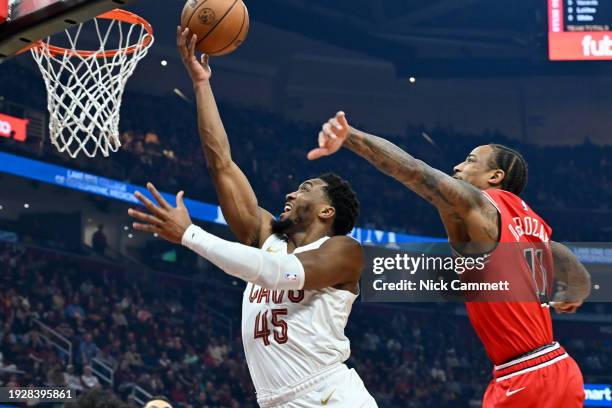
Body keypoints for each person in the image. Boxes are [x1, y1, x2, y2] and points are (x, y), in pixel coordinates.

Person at [126, 27, 377, 408]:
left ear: (328, 211)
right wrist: (200, 83)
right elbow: (222, 164)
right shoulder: (269, 238)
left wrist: (191, 235)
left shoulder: (343, 252)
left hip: (330, 396)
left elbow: (278, 273)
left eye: (305, 188)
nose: (291, 193)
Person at [310, 112, 591, 407]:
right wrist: (574, 293)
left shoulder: (481, 206)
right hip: (560, 366)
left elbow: (416, 171)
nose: (457, 166)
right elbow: (569, 263)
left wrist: (351, 137)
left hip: (524, 377)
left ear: (495, 177)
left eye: (470, 160)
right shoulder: (531, 222)